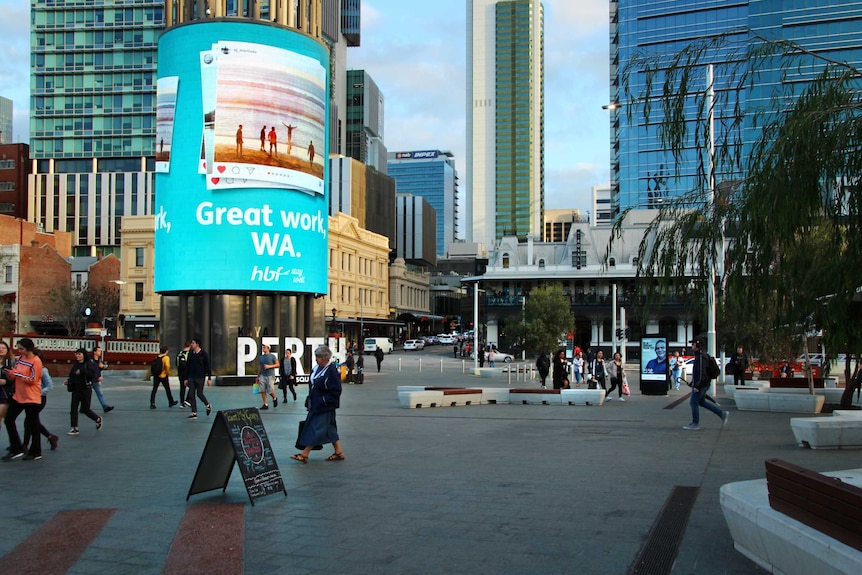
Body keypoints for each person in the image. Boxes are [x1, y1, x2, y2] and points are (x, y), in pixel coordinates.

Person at [291, 345, 344, 464]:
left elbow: (336, 390)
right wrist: (310, 401)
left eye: (318, 357)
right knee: (330, 428)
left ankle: (305, 454)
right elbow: (313, 387)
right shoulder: (317, 369)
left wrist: (325, 400)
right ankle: (339, 452)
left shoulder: (332, 371)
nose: (316, 359)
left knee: (316, 428)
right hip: (316, 404)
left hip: (324, 406)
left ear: (324, 358)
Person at [1, 338, 45, 461]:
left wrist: (16, 374)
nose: (19, 351)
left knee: (33, 424)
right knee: (9, 419)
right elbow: (16, 373)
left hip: (31, 397)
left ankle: (36, 451)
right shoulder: (20, 359)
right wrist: (10, 373)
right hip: (18, 395)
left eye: (21, 348)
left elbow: (33, 379)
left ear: (28, 349)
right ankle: (16, 448)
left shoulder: (36, 361)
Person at [683, 337, 729, 430]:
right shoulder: (701, 356)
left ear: (698, 345)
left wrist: (697, 386)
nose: (691, 345)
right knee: (701, 402)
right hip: (704, 384)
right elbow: (699, 373)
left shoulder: (700, 357)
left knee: (693, 402)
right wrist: (693, 382)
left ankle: (695, 423)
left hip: (701, 385)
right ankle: (721, 413)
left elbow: (701, 373)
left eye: (693, 344)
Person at [23, 349, 59, 452]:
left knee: (29, 420)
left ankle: (25, 445)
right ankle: (51, 437)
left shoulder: (43, 370)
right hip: (29, 397)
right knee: (32, 421)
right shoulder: (28, 369)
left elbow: (49, 385)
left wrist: (39, 392)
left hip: (39, 398)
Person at [64, 348, 102, 436]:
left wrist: (82, 371)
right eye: (76, 354)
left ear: (84, 355)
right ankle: (74, 428)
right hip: (76, 389)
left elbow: (93, 374)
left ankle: (97, 419)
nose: (78, 356)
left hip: (85, 388)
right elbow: (72, 375)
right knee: (73, 408)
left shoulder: (88, 364)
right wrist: (69, 381)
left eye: (79, 354)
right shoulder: (76, 365)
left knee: (85, 409)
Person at [184, 337, 212, 420]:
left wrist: (209, 378)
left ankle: (207, 405)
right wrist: (186, 378)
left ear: (197, 344)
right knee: (191, 394)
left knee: (199, 394)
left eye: (193, 343)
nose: (191, 345)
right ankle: (194, 412)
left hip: (200, 377)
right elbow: (187, 366)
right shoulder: (190, 353)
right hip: (191, 377)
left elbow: (208, 366)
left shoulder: (203, 354)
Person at [90, 348, 114, 413]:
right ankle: (83, 407)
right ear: (94, 352)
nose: (100, 352)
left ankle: (105, 406)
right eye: (99, 351)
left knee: (100, 394)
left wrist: (102, 367)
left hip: (97, 380)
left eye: (100, 351)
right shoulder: (90, 360)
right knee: (86, 395)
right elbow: (91, 370)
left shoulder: (99, 360)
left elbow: (98, 369)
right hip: (90, 380)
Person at [257, 343, 279, 409]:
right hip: (263, 375)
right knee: (262, 390)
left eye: (264, 347)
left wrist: (269, 366)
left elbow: (278, 365)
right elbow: (260, 367)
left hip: (270, 375)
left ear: (268, 348)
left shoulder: (272, 356)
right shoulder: (261, 357)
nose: (263, 348)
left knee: (270, 390)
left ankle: (274, 398)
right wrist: (258, 376)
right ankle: (265, 404)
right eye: (263, 347)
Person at [0, 339, 15, 434]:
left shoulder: (11, 362)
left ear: (7, 350)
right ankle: (15, 442)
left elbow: (17, 378)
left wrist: (5, 381)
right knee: (9, 421)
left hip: (5, 393)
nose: (1, 349)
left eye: (3, 348)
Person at [176, 342, 191, 407]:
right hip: (187, 373)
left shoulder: (179, 353)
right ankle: (187, 400)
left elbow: (177, 364)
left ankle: (182, 403)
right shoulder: (189, 354)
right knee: (192, 387)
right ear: (190, 346)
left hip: (180, 373)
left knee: (182, 388)